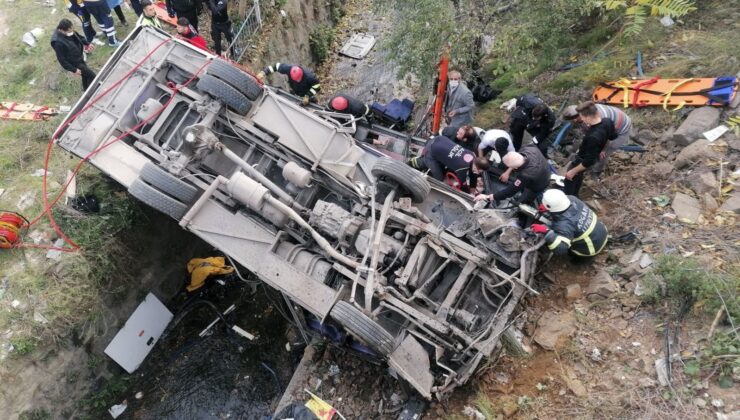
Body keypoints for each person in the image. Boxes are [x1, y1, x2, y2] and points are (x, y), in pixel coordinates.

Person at [530, 189, 608, 258]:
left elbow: (560, 249)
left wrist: (547, 231)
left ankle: (578, 259)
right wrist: (547, 208)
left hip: (591, 248)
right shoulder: (572, 198)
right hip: (602, 232)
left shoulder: (563, 225)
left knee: (572, 255)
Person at [563, 102, 632, 177]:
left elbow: (608, 137)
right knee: (593, 147)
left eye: (576, 118)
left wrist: (603, 149)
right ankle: (586, 165)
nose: (575, 121)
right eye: (572, 119)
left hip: (622, 129)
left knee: (603, 154)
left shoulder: (602, 120)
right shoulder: (588, 110)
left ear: (584, 115)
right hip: (610, 126)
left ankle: (596, 172)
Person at [563, 101, 617, 197]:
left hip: (582, 159)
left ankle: (569, 199)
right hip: (593, 153)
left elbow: (588, 162)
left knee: (570, 179)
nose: (581, 119)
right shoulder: (607, 121)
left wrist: (572, 171)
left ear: (587, 117)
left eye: (581, 117)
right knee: (578, 177)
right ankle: (575, 195)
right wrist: (603, 149)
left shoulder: (593, 136)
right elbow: (612, 136)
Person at [408, 135, 490, 192]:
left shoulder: (473, 155)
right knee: (439, 179)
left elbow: (473, 175)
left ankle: (436, 161)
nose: (479, 173)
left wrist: (473, 187)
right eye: (480, 171)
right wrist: (471, 192)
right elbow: (462, 183)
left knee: (445, 165)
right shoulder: (463, 167)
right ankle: (416, 161)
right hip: (431, 150)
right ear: (477, 167)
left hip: (440, 139)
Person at [474, 144, 550, 205]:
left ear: (516, 168)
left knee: (525, 200)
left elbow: (510, 191)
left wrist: (488, 197)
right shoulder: (528, 148)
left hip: (540, 183)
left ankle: (526, 204)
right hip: (545, 167)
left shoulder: (526, 175)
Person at [51, 19, 97, 91]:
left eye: (72, 28)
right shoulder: (57, 42)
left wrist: (87, 44)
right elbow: (62, 59)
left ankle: (86, 91)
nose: (72, 31)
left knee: (85, 76)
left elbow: (79, 37)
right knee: (92, 76)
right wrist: (74, 69)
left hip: (79, 57)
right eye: (70, 30)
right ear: (63, 30)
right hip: (75, 63)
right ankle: (94, 91)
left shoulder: (69, 30)